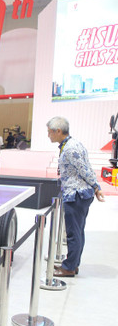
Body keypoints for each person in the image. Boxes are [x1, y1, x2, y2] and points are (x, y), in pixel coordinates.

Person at [47, 116, 105, 277]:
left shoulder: (71, 148)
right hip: (78, 193)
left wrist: (96, 187)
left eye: (50, 132)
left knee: (73, 233)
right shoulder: (72, 144)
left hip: (76, 194)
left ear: (58, 131)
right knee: (77, 231)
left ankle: (69, 267)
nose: (48, 135)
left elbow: (84, 170)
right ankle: (72, 263)